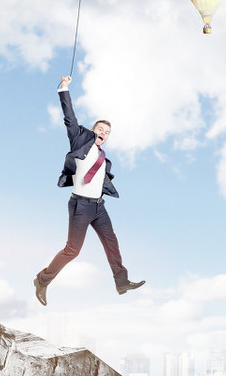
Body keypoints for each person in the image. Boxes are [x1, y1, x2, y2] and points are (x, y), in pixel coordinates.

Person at [34, 75, 145, 306]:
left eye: (107, 131)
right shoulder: (80, 141)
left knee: (111, 242)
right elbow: (69, 118)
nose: (103, 132)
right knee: (72, 250)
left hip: (98, 207)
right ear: (92, 130)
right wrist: (64, 89)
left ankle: (121, 282)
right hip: (80, 205)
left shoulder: (105, 159)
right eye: (100, 128)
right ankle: (42, 280)